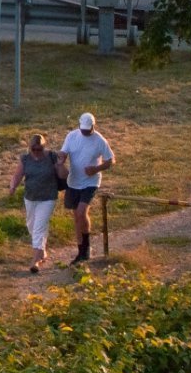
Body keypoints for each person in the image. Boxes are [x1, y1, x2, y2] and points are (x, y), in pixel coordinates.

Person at [59, 112, 115, 265]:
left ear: (93, 127)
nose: (85, 132)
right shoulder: (71, 136)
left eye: (88, 130)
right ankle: (81, 250)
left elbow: (111, 160)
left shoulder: (99, 140)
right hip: (74, 181)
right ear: (79, 126)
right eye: (83, 130)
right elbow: (64, 152)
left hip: (91, 182)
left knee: (82, 212)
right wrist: (62, 158)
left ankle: (87, 247)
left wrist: (96, 169)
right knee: (76, 216)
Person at [11, 132, 66, 273]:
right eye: (33, 149)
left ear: (44, 147)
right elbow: (18, 175)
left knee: (38, 228)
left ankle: (35, 261)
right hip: (30, 197)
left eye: (39, 149)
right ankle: (42, 252)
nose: (36, 152)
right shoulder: (25, 159)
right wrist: (12, 187)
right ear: (30, 148)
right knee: (31, 225)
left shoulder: (52, 157)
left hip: (48, 198)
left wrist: (60, 165)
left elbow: (64, 175)